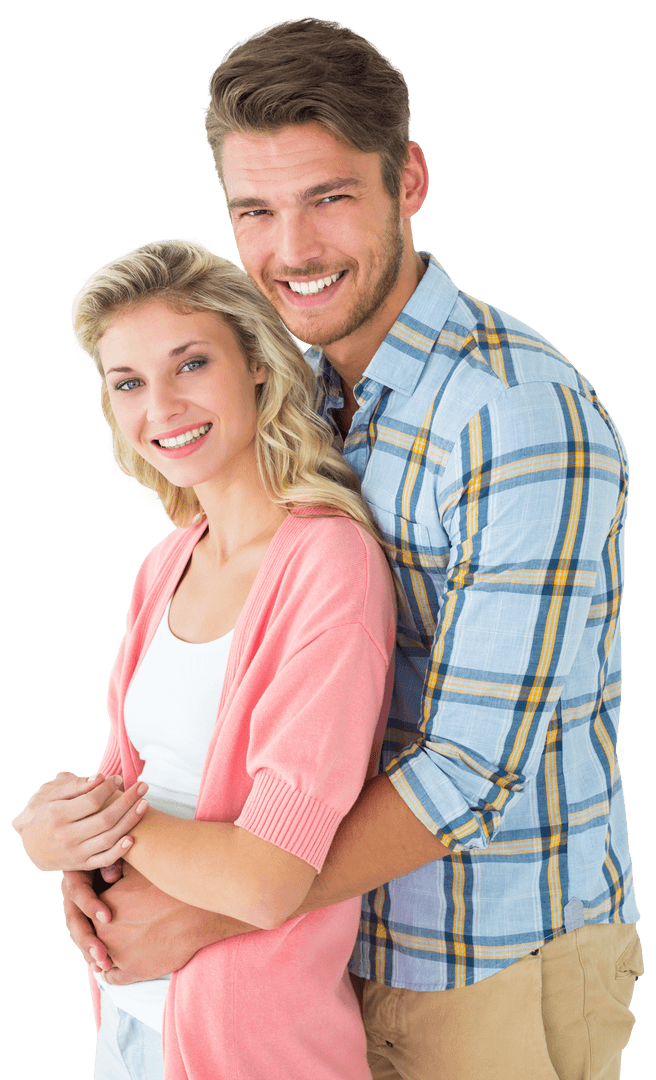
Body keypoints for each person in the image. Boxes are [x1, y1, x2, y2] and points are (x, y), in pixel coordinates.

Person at [60, 17, 642, 1080]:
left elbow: (471, 770)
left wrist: (211, 904)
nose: (293, 250)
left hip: (479, 964)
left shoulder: (517, 420)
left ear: (406, 179)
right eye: (256, 211)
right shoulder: (292, 382)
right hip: (309, 958)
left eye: (328, 198)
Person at [12, 237, 398, 1080]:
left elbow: (268, 879)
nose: (163, 406)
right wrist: (74, 855)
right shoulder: (167, 565)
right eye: (128, 383)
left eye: (190, 363)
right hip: (132, 1025)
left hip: (254, 1046)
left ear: (257, 363)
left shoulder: (328, 565)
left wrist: (87, 825)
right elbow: (130, 779)